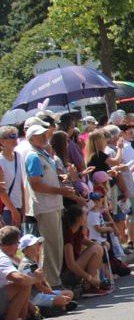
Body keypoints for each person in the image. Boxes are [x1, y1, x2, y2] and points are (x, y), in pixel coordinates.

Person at [24, 123, 81, 288]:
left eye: (44, 134)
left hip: (53, 204)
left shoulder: (42, 154)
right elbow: (36, 184)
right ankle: (52, 283)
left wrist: (60, 181)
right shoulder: (34, 156)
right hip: (45, 205)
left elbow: (44, 180)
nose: (44, 137)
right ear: (32, 139)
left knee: (56, 245)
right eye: (40, 135)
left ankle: (54, 281)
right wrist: (59, 190)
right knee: (51, 246)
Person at [17, 233, 75, 315]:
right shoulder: (26, 265)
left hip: (41, 293)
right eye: (34, 245)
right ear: (26, 249)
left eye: (38, 244)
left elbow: (43, 281)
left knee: (69, 293)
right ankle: (49, 308)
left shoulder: (34, 262)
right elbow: (39, 286)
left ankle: (58, 306)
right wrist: (54, 295)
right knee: (61, 299)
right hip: (34, 296)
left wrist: (52, 292)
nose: (38, 246)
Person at [61, 204, 108, 296]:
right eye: (85, 215)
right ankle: (89, 285)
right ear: (78, 219)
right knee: (97, 248)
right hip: (68, 275)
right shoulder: (68, 235)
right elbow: (70, 265)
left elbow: (93, 245)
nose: (86, 218)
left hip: (76, 271)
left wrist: (104, 244)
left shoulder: (77, 232)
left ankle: (91, 286)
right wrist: (90, 278)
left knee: (98, 247)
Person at [1, 225, 36, 320]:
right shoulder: (2, 257)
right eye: (17, 243)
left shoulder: (8, 256)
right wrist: (36, 278)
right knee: (23, 284)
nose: (18, 246)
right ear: (11, 245)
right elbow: (19, 279)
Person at [0, 126, 24, 229]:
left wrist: (24, 207)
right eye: (11, 136)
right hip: (7, 209)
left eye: (16, 136)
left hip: (19, 206)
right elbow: (2, 190)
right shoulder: (1, 161)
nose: (15, 139)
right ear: (2, 141)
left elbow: (21, 184)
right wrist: (13, 211)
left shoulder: (18, 156)